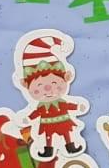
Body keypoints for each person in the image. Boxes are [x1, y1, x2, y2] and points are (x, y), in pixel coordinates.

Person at [16, 31, 88, 160]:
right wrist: (28, 118)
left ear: (66, 78)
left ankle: (70, 147)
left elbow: (69, 106)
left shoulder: (61, 102)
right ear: (25, 85)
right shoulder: (41, 106)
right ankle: (48, 150)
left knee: (66, 134)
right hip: (47, 124)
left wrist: (78, 107)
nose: (48, 90)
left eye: (54, 83)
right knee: (48, 137)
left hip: (63, 121)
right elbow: (36, 113)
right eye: (39, 86)